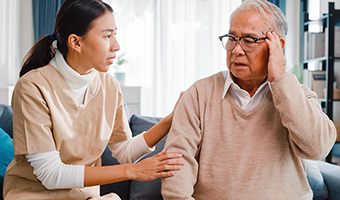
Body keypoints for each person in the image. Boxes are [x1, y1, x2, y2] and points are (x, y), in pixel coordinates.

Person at [3, 0, 184, 199]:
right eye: (107, 36)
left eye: (115, 34)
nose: (116, 46)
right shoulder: (32, 87)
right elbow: (50, 174)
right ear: (76, 42)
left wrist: (169, 121)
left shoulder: (110, 86)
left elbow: (124, 151)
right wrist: (132, 171)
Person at [161, 0, 337, 199]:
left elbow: (318, 148)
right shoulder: (199, 94)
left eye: (248, 40)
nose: (236, 50)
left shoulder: (297, 95)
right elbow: (177, 164)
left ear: (276, 46)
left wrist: (280, 79)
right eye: (232, 38)